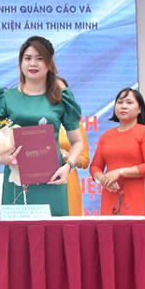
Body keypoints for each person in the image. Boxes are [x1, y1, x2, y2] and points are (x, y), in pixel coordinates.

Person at [0, 36, 83, 216]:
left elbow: (77, 142)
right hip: (16, 180)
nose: (33, 63)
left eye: (40, 58)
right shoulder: (5, 98)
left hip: (52, 179)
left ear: (49, 63)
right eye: (28, 58)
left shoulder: (61, 98)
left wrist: (68, 166)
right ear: (21, 63)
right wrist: (3, 159)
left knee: (53, 237)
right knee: (16, 238)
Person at [90, 88, 145, 217]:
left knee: (138, 234)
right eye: (120, 102)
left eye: (129, 102)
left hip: (138, 192)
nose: (123, 106)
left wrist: (120, 172)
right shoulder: (106, 136)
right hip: (111, 191)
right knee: (111, 233)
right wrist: (104, 179)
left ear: (139, 109)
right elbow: (95, 167)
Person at [58, 78, 88, 216]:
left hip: (68, 181)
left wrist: (65, 156)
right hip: (39, 182)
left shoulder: (74, 123)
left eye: (63, 92)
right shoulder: (32, 120)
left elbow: (84, 160)